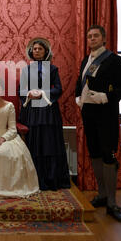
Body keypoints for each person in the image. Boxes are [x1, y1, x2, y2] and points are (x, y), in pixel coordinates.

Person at [75, 25, 121, 223]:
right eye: (89, 36)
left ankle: (112, 203)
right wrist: (77, 97)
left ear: (104, 38)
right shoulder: (86, 60)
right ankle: (102, 195)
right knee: (95, 153)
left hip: (106, 114)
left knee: (108, 155)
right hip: (89, 113)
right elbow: (80, 82)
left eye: (95, 36)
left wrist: (105, 97)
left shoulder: (115, 60)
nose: (92, 39)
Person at [18, 38, 71, 191]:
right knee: (33, 143)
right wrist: (29, 94)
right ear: (31, 51)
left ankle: (50, 179)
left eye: (40, 49)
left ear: (46, 51)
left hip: (48, 111)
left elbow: (59, 89)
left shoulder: (53, 69)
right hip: (32, 112)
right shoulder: (26, 70)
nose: (37, 51)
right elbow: (20, 91)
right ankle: (32, 179)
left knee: (48, 143)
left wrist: (42, 93)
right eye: (35, 49)